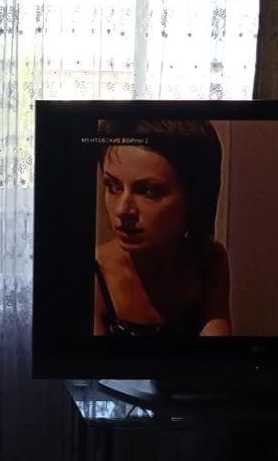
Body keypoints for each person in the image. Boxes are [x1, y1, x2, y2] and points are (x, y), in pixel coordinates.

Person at [93, 118, 231, 337]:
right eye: (113, 186)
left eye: (148, 191)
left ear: (193, 198)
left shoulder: (209, 261)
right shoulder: (96, 271)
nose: (122, 210)